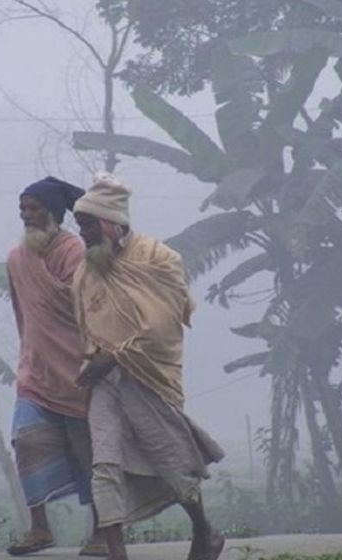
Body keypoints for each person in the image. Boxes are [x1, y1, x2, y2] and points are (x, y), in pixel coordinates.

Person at [71, 173, 226, 560]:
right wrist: (95, 361)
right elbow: (87, 320)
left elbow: (162, 323)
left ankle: (204, 532)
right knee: (104, 464)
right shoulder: (86, 270)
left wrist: (115, 356)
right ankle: (117, 554)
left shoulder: (158, 257)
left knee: (171, 460)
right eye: (80, 226)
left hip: (149, 376)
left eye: (88, 225)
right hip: (104, 382)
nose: (83, 234)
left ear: (111, 222)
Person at [5, 176, 106, 557]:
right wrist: (29, 354)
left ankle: (102, 531)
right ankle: (40, 529)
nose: (27, 216)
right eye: (23, 209)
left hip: (76, 373)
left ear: (52, 213)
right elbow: (24, 315)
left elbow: (88, 309)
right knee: (26, 442)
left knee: (89, 454)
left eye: (34, 209)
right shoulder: (16, 259)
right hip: (35, 373)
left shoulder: (73, 252)